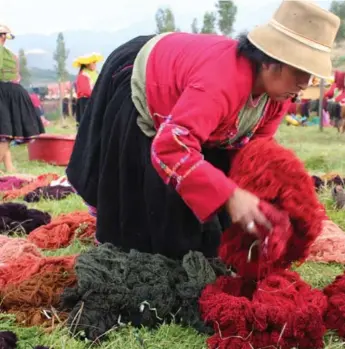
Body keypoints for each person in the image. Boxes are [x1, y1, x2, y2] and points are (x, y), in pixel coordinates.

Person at [67, 0, 340, 260]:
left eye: (311, 73)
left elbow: (253, 150)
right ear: (270, 60)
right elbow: (170, 148)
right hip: (143, 76)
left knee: (208, 229)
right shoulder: (220, 81)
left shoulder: (278, 96)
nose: (306, 82)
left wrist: (264, 197)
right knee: (146, 228)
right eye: (300, 70)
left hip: (192, 106)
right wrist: (230, 196)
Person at [0, 25, 45, 172]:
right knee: (4, 132)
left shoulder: (8, 55)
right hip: (11, 92)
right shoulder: (12, 56)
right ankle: (9, 166)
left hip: (5, 93)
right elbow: (17, 76)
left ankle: (9, 166)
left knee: (4, 132)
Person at [73, 53, 103, 124]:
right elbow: (85, 90)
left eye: (95, 62)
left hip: (95, 99)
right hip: (86, 101)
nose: (95, 64)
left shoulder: (96, 73)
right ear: (87, 64)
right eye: (93, 62)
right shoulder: (83, 75)